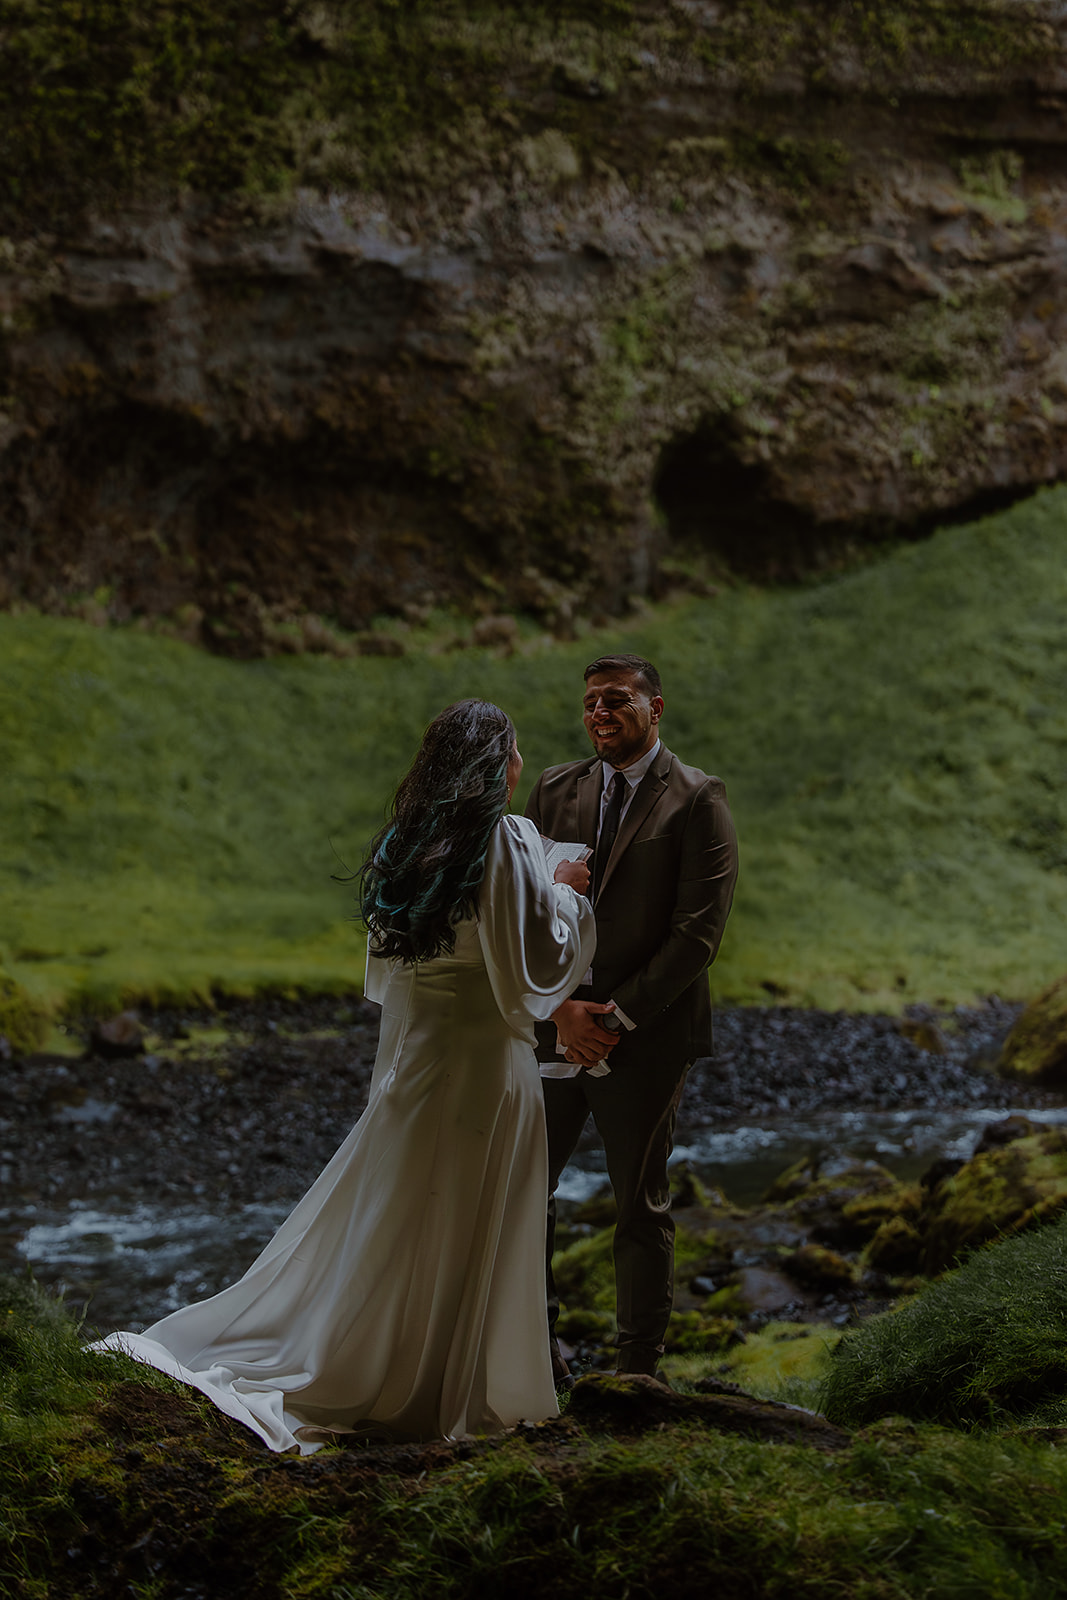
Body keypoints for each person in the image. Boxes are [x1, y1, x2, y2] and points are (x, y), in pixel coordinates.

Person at [91, 700, 595, 1453]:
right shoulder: (506, 838)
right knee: (462, 1215)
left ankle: (382, 1357)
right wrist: (568, 890)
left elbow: (390, 975)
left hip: (420, 1059)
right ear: (496, 764)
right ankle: (439, 1383)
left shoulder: (406, 841)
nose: (522, 763)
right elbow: (533, 968)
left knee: (399, 1213)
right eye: (515, 750)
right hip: (486, 1064)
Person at [524, 654, 738, 1383]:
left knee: (638, 1207)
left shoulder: (697, 799)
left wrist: (610, 1019)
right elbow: (519, 905)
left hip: (643, 1039)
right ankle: (535, 1353)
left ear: (656, 707)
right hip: (550, 1026)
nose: (599, 713)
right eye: (589, 702)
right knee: (524, 1195)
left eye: (616, 700)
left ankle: (636, 1372)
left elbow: (696, 937)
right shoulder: (554, 788)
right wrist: (558, 1011)